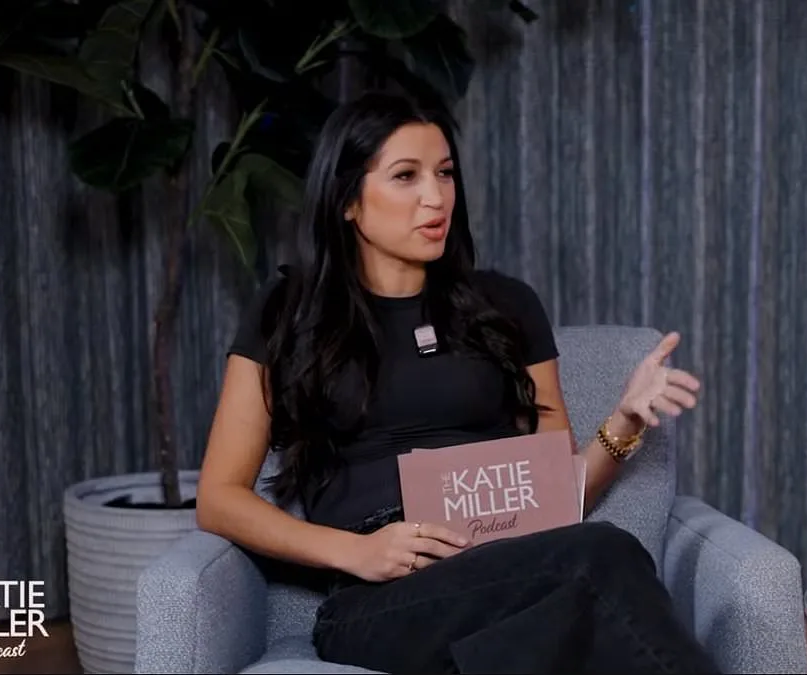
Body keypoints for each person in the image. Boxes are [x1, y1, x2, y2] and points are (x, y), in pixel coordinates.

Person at [196, 90, 719, 674]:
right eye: (406, 176)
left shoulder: (506, 306)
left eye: (444, 173)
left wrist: (625, 420)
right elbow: (219, 498)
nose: (436, 196)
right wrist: (356, 551)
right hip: (384, 597)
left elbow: (556, 499)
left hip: (514, 565)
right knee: (601, 557)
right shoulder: (288, 312)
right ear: (348, 201)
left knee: (570, 603)